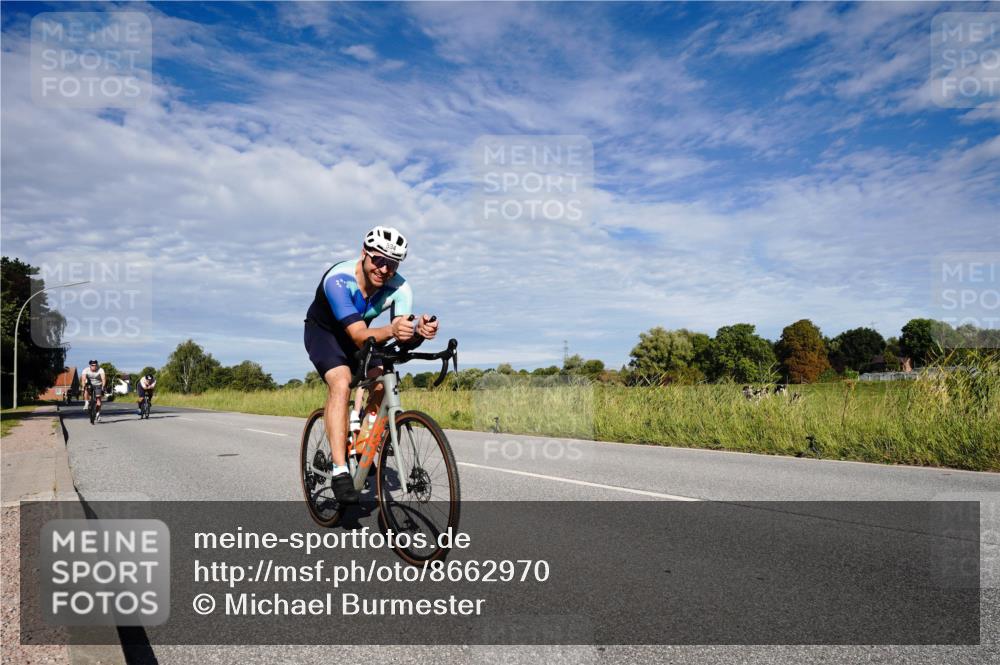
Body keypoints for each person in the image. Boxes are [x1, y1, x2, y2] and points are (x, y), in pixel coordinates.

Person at [304, 226, 438, 505]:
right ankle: (340, 469)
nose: (384, 269)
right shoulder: (339, 281)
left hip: (363, 334)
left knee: (381, 381)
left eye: (392, 264)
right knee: (340, 382)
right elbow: (356, 335)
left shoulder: (400, 288)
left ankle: (362, 448)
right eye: (378, 259)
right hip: (325, 333)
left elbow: (400, 335)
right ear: (364, 253)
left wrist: (417, 332)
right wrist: (393, 329)